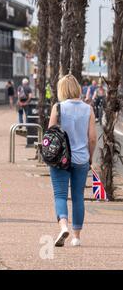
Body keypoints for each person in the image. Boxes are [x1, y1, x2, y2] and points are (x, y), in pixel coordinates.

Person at [48, 74, 97, 248]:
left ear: (62, 89)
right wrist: (90, 156)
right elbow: (92, 138)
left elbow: (50, 133)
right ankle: (76, 237)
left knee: (60, 195)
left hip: (60, 159)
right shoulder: (88, 109)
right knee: (78, 197)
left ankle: (63, 227)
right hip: (81, 158)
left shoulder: (58, 107)